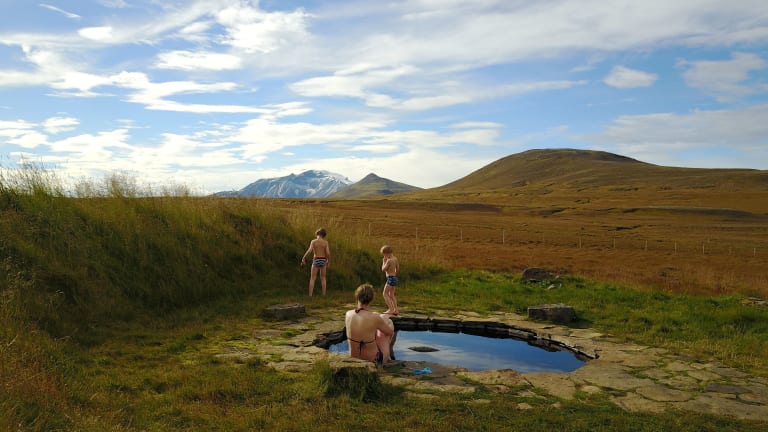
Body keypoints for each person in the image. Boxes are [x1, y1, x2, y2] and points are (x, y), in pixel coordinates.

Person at [345, 283, 395, 365]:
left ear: (357, 296)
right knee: (389, 324)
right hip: (374, 361)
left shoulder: (348, 314)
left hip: (353, 357)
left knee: (375, 328)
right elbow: (390, 332)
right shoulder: (374, 317)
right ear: (371, 299)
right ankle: (388, 355)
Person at [301, 228, 330, 296]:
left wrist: (304, 257)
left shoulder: (313, 241)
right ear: (324, 235)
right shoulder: (325, 242)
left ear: (317, 233)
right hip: (323, 259)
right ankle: (324, 294)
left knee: (313, 278)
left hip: (316, 259)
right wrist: (328, 261)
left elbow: (309, 251)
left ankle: (310, 295)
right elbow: (328, 253)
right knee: (323, 278)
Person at [380, 245, 400, 315]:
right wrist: (394, 274)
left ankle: (391, 309)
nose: (384, 256)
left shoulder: (389, 260)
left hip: (390, 278)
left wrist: (383, 261)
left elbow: (383, 269)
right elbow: (398, 268)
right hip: (394, 277)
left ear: (387, 253)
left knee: (385, 294)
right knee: (391, 295)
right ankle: (396, 310)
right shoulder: (395, 259)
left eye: (384, 254)